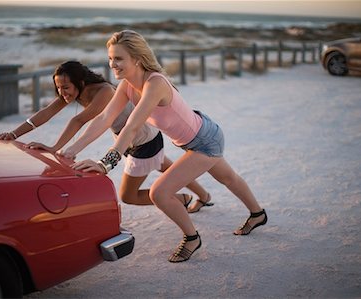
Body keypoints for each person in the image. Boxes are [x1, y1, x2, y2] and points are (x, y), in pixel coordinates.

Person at [64, 30, 267, 263]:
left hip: (205, 141)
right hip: (199, 135)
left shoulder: (155, 84)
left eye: (118, 59)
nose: (113, 64)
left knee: (159, 193)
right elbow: (104, 119)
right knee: (228, 178)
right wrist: (71, 150)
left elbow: (131, 127)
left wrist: (105, 164)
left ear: (137, 59)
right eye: (110, 58)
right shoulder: (127, 85)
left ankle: (192, 238)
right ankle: (258, 214)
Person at [0, 60, 209, 208]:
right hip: (129, 139)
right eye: (58, 88)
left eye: (65, 87)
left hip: (142, 138)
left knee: (130, 195)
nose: (62, 93)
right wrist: (14, 133)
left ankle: (182, 199)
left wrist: (54, 148)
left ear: (80, 82)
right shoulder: (72, 92)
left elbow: (79, 120)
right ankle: (204, 196)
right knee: (168, 168)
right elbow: (45, 113)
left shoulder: (104, 91)